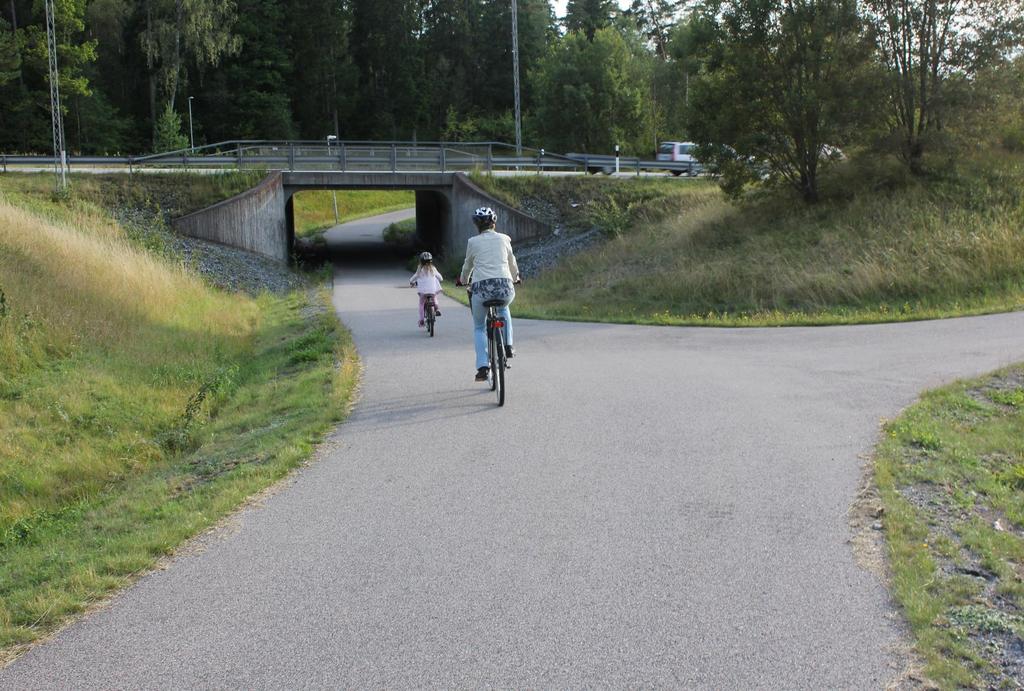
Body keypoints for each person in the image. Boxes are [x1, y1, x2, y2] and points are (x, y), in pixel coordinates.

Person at [456, 207, 520, 381]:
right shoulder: (505, 239)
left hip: (481, 288)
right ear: (494, 222)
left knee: (479, 327)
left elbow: (467, 265)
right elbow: (511, 262)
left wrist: (462, 280)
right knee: (504, 308)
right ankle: (508, 346)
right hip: (504, 286)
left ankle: (483, 367)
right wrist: (516, 277)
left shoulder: (473, 242)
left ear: (477, 225)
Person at [409, 251, 443, 328]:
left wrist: (411, 281)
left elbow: (415, 276)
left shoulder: (419, 269)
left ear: (421, 261)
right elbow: (441, 278)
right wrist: (440, 280)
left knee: (421, 304)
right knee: (434, 297)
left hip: (423, 292)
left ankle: (421, 320)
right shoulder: (433, 269)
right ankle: (437, 308)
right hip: (432, 290)